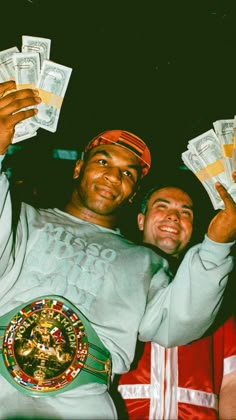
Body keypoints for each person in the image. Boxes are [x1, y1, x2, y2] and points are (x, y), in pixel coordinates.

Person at [0, 80, 236, 419]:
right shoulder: (23, 218)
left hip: (82, 407)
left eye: (127, 173)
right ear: (78, 167)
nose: (114, 176)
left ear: (132, 193)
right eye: (103, 162)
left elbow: (178, 326)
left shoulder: (146, 262)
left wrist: (216, 245)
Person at [117, 184, 236, 420]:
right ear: (141, 220)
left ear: (193, 229)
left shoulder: (220, 291)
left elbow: (231, 381)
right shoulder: (112, 277)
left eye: (185, 212)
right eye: (162, 207)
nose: (173, 216)